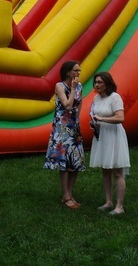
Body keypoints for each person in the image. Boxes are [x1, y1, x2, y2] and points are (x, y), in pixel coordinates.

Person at [43, 60, 86, 209]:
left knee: (75, 161)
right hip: (62, 127)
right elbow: (67, 105)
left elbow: (79, 104)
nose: (78, 73)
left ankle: (69, 194)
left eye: (79, 71)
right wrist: (73, 89)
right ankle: (66, 196)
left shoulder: (80, 86)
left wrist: (77, 121)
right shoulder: (59, 86)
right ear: (68, 72)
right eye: (76, 70)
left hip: (74, 127)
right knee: (64, 160)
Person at [89, 71, 131, 215]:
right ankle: (108, 201)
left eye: (100, 82)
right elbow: (95, 115)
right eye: (96, 82)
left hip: (114, 136)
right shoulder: (96, 98)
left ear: (107, 83)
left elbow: (120, 118)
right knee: (105, 170)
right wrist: (94, 123)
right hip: (102, 136)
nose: (97, 85)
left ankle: (119, 206)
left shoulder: (115, 97)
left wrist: (101, 119)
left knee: (117, 172)